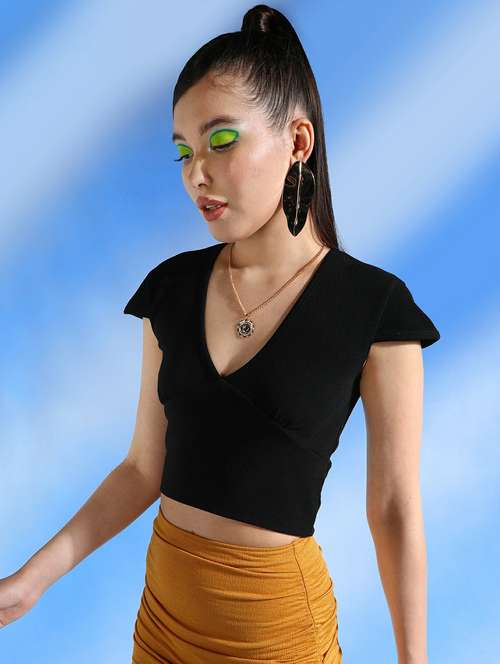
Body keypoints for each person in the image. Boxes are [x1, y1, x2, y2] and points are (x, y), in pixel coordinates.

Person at [0, 5, 440, 663]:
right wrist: (31, 581)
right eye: (184, 152)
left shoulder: (375, 309)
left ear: (298, 142)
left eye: (222, 140)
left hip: (277, 636)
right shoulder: (171, 289)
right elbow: (142, 468)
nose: (196, 173)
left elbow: (396, 508)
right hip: (162, 622)